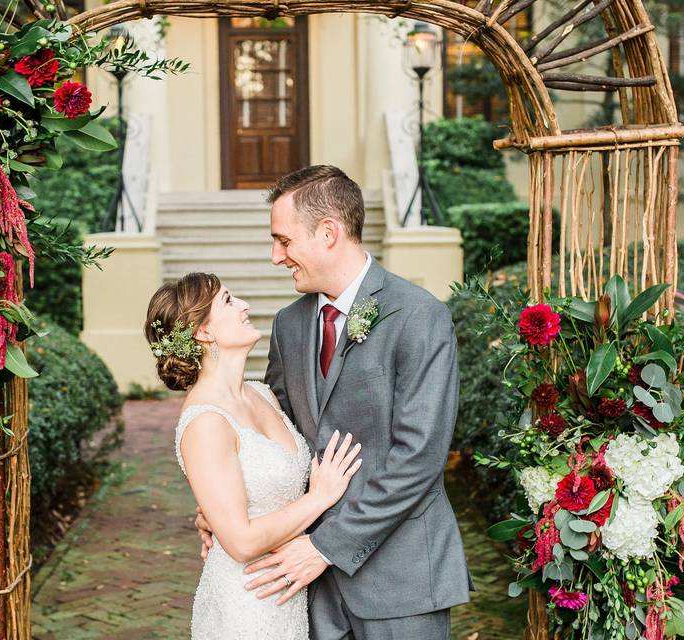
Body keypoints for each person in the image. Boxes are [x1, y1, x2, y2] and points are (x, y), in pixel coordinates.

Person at [195, 165, 473, 639]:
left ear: (328, 233)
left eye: (283, 241)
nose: (275, 257)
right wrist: (222, 506)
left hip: (400, 581)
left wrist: (325, 547)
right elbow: (275, 437)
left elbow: (419, 458)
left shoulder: (419, 316)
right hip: (309, 592)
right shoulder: (290, 324)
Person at [146, 272, 363, 639]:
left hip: (286, 597)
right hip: (245, 605)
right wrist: (320, 497)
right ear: (203, 332)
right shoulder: (205, 423)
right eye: (229, 301)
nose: (244, 306)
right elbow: (242, 542)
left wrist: (212, 513)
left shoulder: (262, 394)